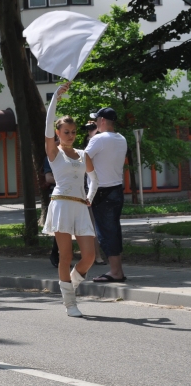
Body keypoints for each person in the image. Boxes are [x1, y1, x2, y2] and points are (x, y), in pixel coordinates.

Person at [43, 84, 98, 317]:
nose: (71, 135)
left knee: (90, 256)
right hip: (61, 205)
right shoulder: (54, 151)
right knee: (65, 255)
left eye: (74, 131)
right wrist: (55, 97)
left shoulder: (83, 154)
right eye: (66, 131)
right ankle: (70, 303)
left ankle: (71, 283)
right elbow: (47, 126)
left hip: (79, 205)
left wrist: (90, 197)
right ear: (58, 133)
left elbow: (94, 179)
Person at [85, 107, 128, 283]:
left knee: (105, 233)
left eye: (96, 120)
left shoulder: (99, 139)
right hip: (116, 189)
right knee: (114, 231)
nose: (94, 123)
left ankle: (116, 272)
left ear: (102, 120)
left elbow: (82, 160)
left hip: (102, 192)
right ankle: (117, 270)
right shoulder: (121, 138)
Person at [82, 121, 106, 265]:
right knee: (91, 226)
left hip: (101, 190)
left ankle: (98, 255)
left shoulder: (102, 147)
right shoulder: (84, 156)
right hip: (87, 192)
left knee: (99, 225)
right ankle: (96, 256)